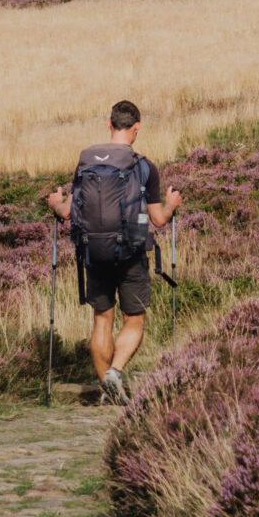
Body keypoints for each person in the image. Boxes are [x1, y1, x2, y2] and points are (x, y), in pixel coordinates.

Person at [44, 100, 183, 404]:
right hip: (132, 247)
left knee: (101, 320)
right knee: (134, 317)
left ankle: (109, 394)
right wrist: (172, 204)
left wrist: (55, 203)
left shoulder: (86, 163)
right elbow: (158, 219)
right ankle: (114, 373)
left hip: (92, 249)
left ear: (109, 124)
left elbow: (68, 211)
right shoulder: (144, 166)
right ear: (137, 128)